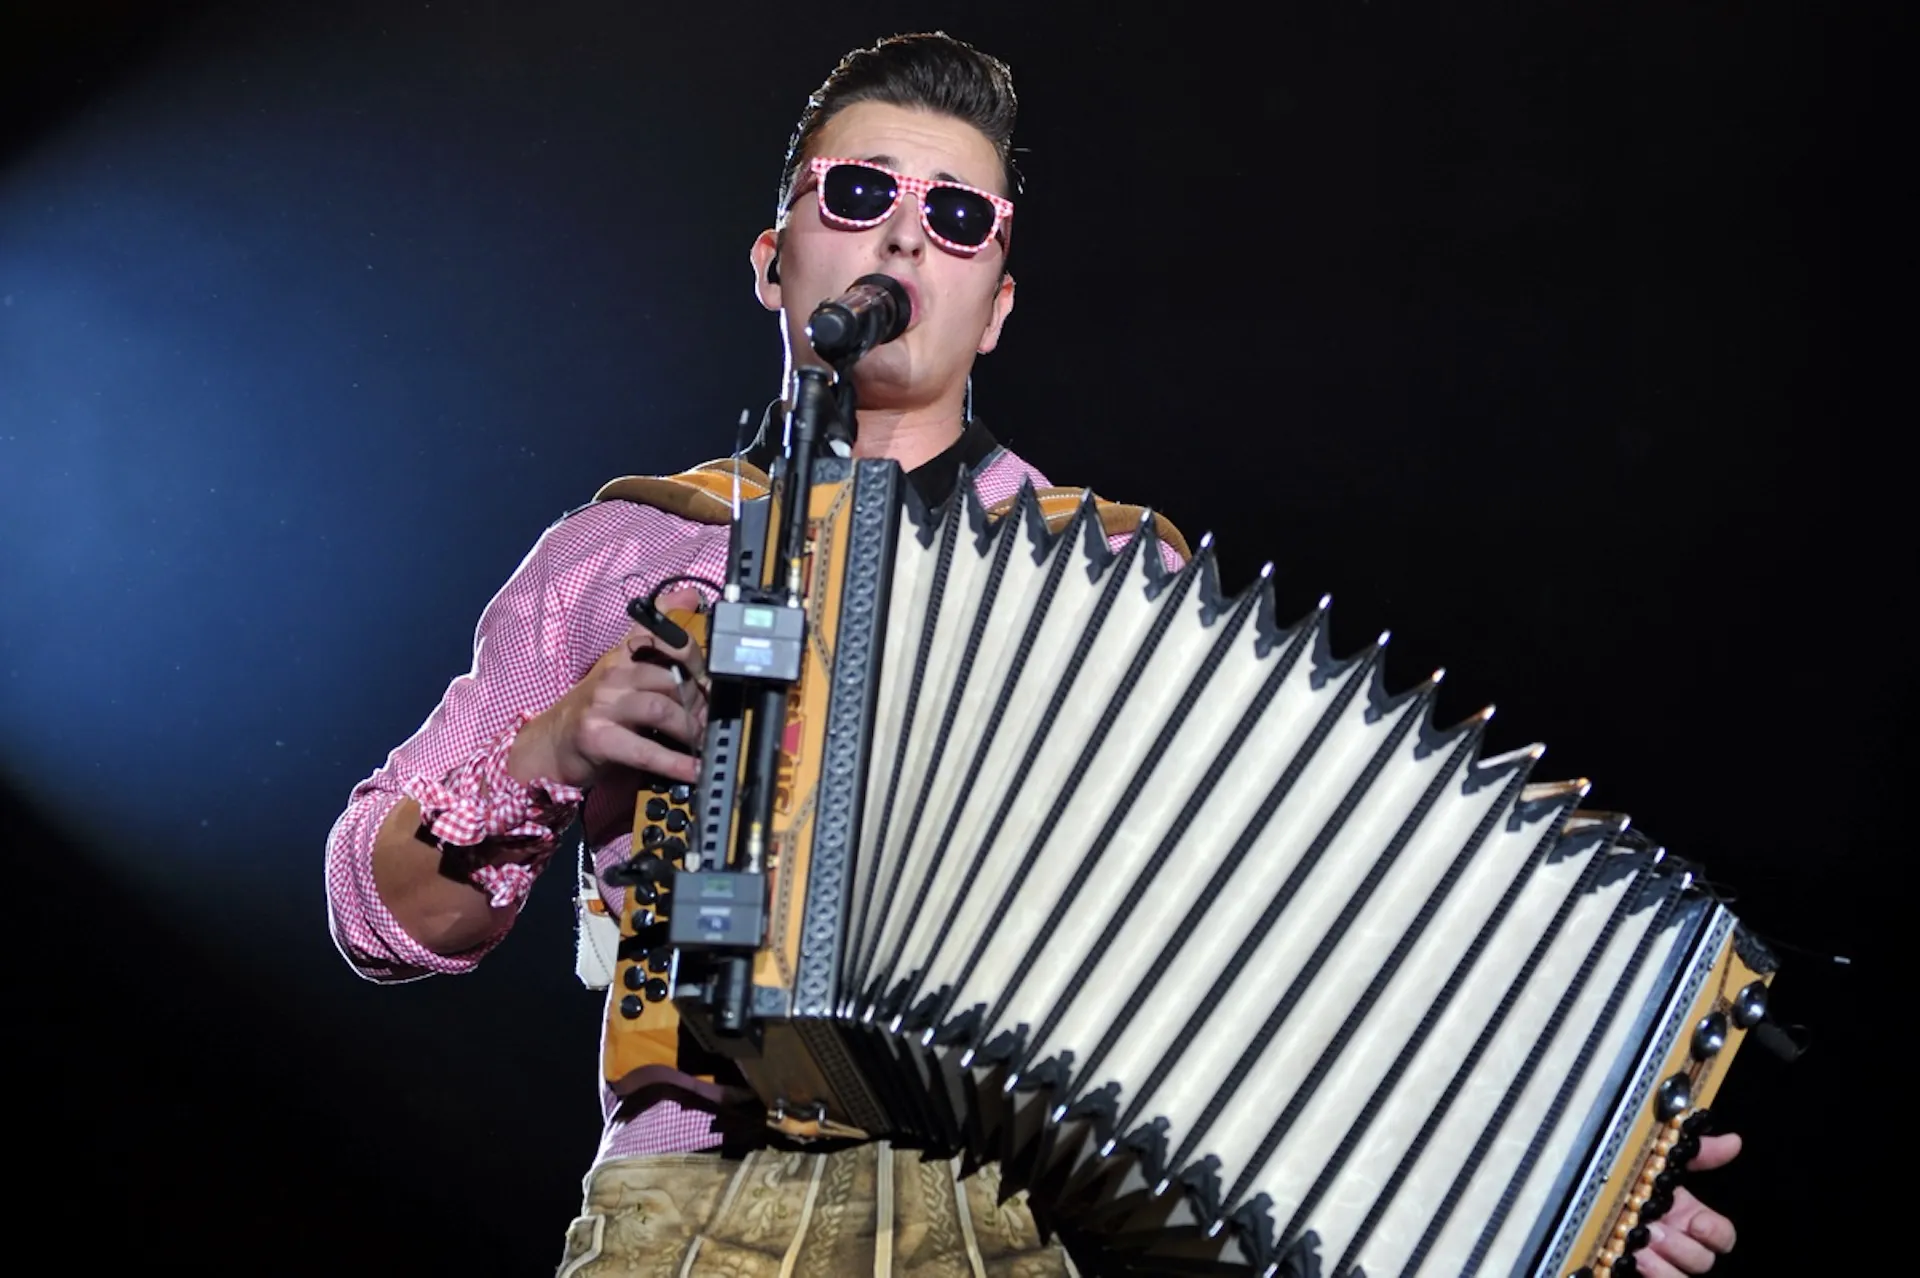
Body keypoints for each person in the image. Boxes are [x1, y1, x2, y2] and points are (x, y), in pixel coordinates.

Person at [324, 31, 1743, 1278]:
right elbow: (380, 915)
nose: (902, 243)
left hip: (1009, 1225)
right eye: (860, 194)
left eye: (957, 218)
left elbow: (1317, 936)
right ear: (776, 260)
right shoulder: (631, 556)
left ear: (997, 301)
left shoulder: (1125, 576)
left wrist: (1581, 1164)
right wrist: (541, 749)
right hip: (697, 1215)